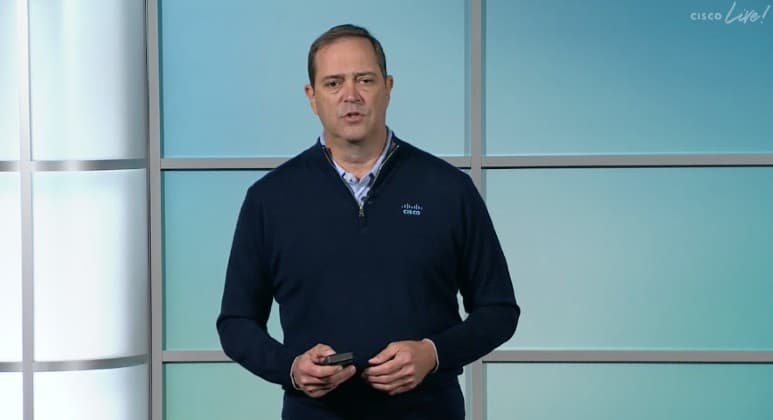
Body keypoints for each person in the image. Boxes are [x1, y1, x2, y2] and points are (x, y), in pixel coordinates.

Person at [216, 23, 519, 420]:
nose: (351, 96)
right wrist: (291, 368)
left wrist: (433, 353)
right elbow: (236, 323)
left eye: (365, 80)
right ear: (311, 97)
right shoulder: (269, 199)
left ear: (388, 87)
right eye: (333, 83)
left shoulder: (449, 189)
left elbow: (499, 311)